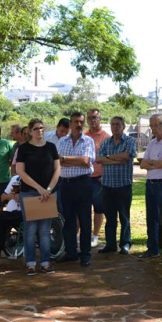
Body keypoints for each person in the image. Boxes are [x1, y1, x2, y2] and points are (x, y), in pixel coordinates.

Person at [16, 118, 61, 276]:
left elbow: (57, 170)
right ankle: (30, 263)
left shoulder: (51, 147)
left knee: (44, 230)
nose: (39, 131)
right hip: (29, 193)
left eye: (41, 128)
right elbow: (20, 171)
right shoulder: (24, 149)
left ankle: (46, 263)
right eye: (36, 128)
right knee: (30, 229)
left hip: (48, 194)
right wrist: (39, 188)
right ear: (30, 131)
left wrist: (48, 189)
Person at [56, 112, 97, 266]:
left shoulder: (88, 141)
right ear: (71, 123)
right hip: (65, 184)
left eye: (81, 122)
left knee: (85, 220)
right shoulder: (62, 141)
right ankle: (71, 252)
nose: (79, 125)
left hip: (83, 184)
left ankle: (85, 254)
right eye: (75, 122)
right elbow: (57, 161)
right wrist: (75, 161)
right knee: (69, 221)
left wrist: (65, 159)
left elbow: (86, 161)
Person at [96, 116, 137, 255]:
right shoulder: (106, 142)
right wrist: (115, 159)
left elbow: (126, 157)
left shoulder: (130, 141)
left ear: (123, 126)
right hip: (107, 186)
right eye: (113, 124)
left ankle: (125, 244)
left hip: (124, 185)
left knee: (124, 217)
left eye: (118, 124)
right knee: (110, 217)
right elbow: (99, 159)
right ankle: (110, 244)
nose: (115, 127)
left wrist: (108, 158)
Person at [139, 114, 162, 261]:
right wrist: (156, 162)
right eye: (151, 125)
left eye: (155, 125)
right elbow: (142, 164)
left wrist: (150, 162)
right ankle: (152, 249)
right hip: (150, 184)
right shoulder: (152, 143)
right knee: (151, 218)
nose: (153, 129)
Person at [86, 108, 110, 247]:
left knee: (99, 208)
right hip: (85, 177)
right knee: (84, 208)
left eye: (95, 117)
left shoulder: (106, 137)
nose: (92, 120)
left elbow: (108, 158)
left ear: (100, 118)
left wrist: (105, 175)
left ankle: (95, 236)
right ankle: (85, 234)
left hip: (99, 178)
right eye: (90, 118)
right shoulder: (84, 135)